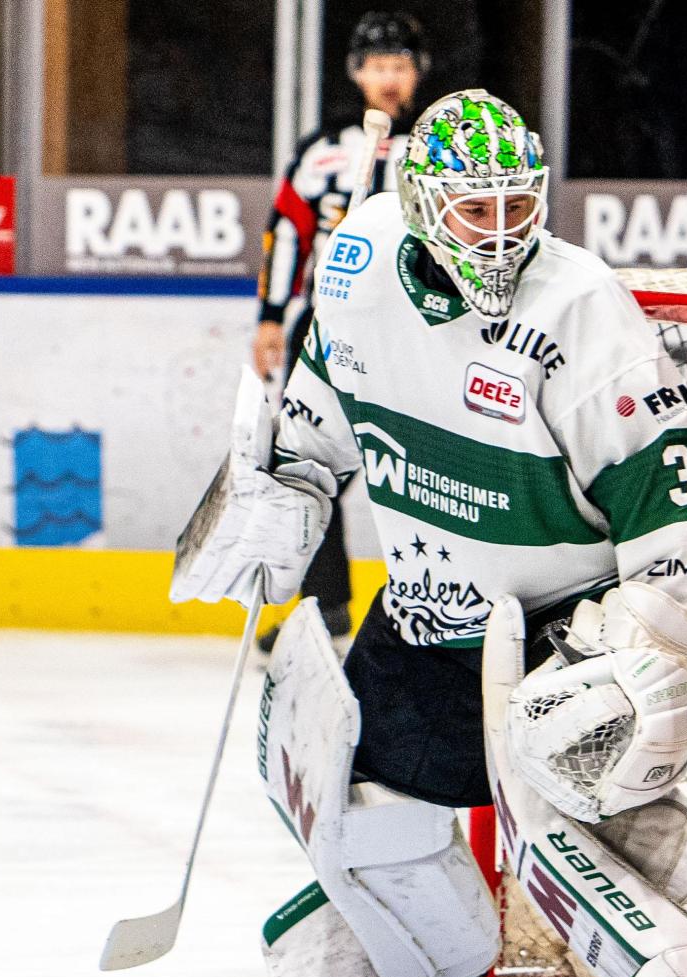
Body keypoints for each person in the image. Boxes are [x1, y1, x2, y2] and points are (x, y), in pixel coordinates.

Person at [171, 90, 687, 977]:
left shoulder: (580, 308)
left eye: (520, 205)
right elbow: (330, 401)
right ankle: (437, 948)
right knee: (323, 767)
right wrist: (285, 484)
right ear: (420, 203)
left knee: (562, 797)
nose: (504, 234)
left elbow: (669, 513)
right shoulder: (363, 261)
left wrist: (644, 656)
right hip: (421, 622)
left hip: (554, 632)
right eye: (476, 211)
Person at [252, 10, 429, 647]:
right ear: (358, 74)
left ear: (417, 75)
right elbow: (288, 233)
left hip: (410, 336)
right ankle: (326, 611)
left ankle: (434, 612)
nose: (389, 77)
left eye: (400, 65)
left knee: (419, 468)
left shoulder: (439, 150)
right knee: (306, 469)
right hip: (324, 334)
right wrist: (272, 318)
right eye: (378, 65)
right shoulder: (323, 149)